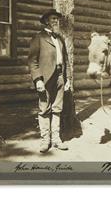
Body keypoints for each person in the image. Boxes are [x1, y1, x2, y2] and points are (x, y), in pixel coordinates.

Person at [28, 8, 71, 153]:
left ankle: (56, 140)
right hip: (45, 78)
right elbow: (33, 61)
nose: (56, 21)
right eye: (53, 19)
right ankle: (45, 140)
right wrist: (38, 80)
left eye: (57, 19)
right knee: (44, 109)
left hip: (60, 76)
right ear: (46, 21)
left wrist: (68, 78)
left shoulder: (60, 38)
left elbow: (66, 60)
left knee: (57, 108)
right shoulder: (38, 38)